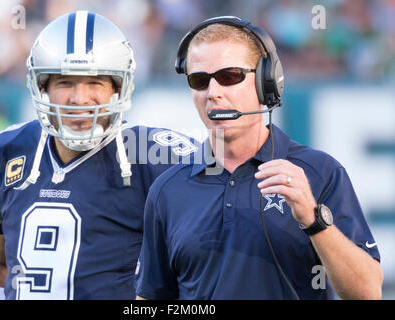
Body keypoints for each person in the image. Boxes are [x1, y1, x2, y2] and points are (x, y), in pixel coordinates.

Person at [135, 16, 383, 300]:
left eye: (229, 77)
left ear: (267, 82)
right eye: (200, 80)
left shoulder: (320, 172)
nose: (213, 93)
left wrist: (314, 220)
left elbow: (367, 293)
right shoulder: (167, 189)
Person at [0, 11, 198, 300]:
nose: (79, 99)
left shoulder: (153, 157)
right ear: (43, 88)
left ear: (119, 88)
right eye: (65, 83)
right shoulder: (6, 150)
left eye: (94, 83)